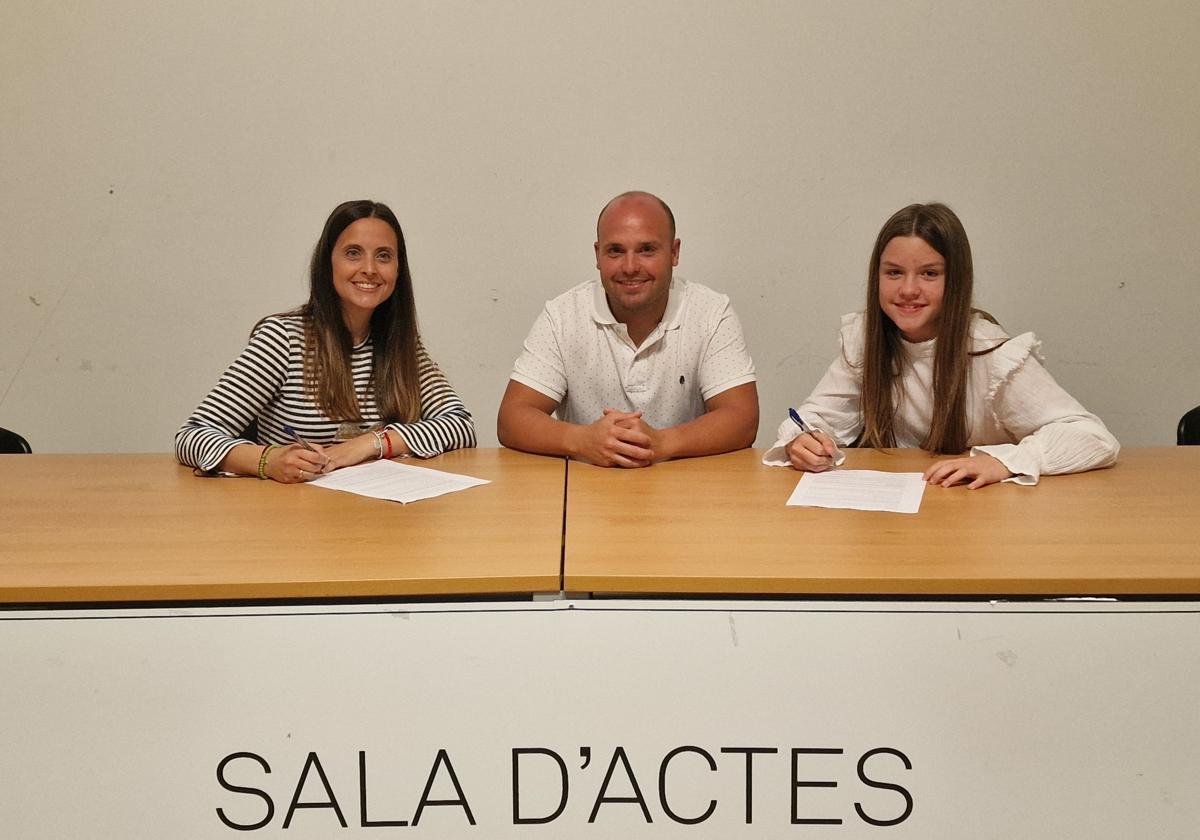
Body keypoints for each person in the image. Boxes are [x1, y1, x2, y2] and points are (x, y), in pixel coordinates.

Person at [764, 202, 1118, 487]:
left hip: (983, 520)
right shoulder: (864, 340)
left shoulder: (993, 354)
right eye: (893, 272)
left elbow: (1092, 437)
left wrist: (1003, 462)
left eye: (929, 274)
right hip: (904, 511)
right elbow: (815, 417)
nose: (908, 290)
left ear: (956, 281)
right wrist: (803, 441)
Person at [176, 200, 475, 482]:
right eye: (353, 253)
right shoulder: (284, 339)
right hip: (292, 517)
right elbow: (193, 436)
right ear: (328, 262)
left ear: (398, 269)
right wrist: (268, 460)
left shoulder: (401, 343)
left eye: (383, 255)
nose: (370, 269)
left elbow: (460, 425)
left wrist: (371, 443)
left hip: (379, 516)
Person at [497, 191, 758, 467]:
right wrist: (583, 440)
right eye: (616, 251)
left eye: (647, 249)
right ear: (598, 255)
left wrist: (660, 443)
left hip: (685, 492)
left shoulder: (711, 312)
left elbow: (742, 418)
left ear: (674, 253)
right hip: (586, 493)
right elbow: (512, 418)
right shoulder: (562, 315)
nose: (631, 267)